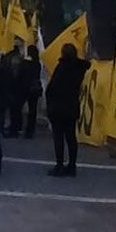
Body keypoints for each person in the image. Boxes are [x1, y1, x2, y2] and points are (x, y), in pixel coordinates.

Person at [46, 43, 90, 177]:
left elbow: (52, 88)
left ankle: (59, 165)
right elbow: (86, 64)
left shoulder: (62, 68)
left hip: (58, 108)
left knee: (58, 138)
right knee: (71, 137)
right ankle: (72, 166)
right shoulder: (79, 68)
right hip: (72, 106)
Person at [9, 44, 42, 139]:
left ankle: (15, 128)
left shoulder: (24, 63)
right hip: (34, 89)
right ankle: (30, 131)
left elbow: (19, 75)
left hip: (22, 88)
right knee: (32, 111)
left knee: (16, 108)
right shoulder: (37, 64)